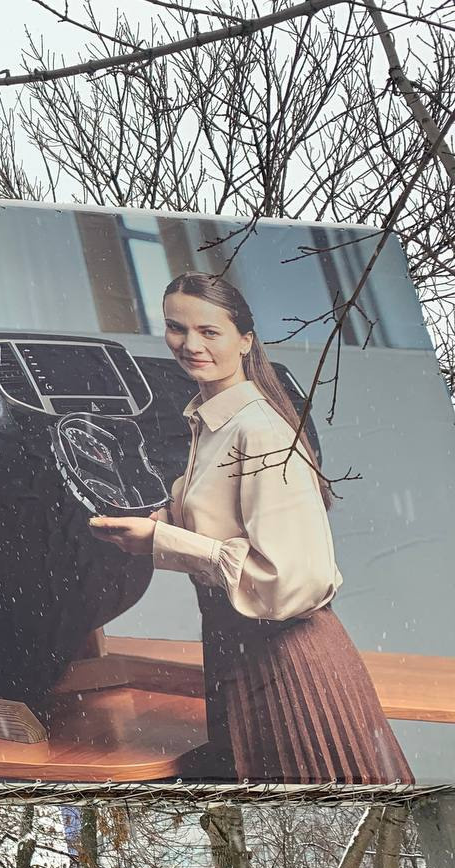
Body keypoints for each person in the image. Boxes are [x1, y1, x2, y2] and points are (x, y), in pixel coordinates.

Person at [89, 272, 413, 785]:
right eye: (177, 328)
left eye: (209, 331)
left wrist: (162, 541)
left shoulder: (258, 430)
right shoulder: (210, 421)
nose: (190, 344)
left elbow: (290, 579)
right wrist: (164, 523)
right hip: (237, 655)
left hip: (288, 663)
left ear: (245, 340)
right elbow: (227, 525)